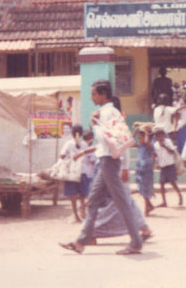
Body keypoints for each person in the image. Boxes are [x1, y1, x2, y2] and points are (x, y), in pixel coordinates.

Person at [59, 80, 144, 256]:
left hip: (108, 161)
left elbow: (105, 138)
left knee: (121, 202)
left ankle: (136, 242)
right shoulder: (110, 111)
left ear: (102, 95)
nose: (91, 97)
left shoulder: (106, 112)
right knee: (92, 202)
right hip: (105, 160)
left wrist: (95, 123)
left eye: (94, 94)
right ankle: (81, 241)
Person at [60, 124, 89, 223]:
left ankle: (75, 215)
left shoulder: (68, 144)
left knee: (72, 195)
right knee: (83, 194)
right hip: (83, 171)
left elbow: (62, 156)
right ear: (81, 133)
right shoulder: (84, 144)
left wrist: (70, 156)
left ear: (72, 133)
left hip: (72, 173)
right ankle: (83, 212)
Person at [153, 127, 182, 207]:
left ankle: (179, 195)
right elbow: (156, 155)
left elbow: (173, 151)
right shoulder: (155, 145)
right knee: (161, 184)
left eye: (161, 136)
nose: (160, 138)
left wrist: (165, 146)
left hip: (170, 165)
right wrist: (156, 163)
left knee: (173, 182)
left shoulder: (168, 142)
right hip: (163, 166)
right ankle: (164, 202)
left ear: (164, 136)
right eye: (158, 136)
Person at [134, 128, 156, 217]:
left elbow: (147, 142)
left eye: (141, 138)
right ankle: (150, 205)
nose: (139, 140)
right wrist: (135, 132)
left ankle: (146, 209)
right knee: (141, 188)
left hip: (147, 169)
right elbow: (130, 141)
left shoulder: (149, 146)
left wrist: (146, 132)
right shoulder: (139, 146)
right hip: (140, 168)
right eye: (139, 138)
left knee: (146, 188)